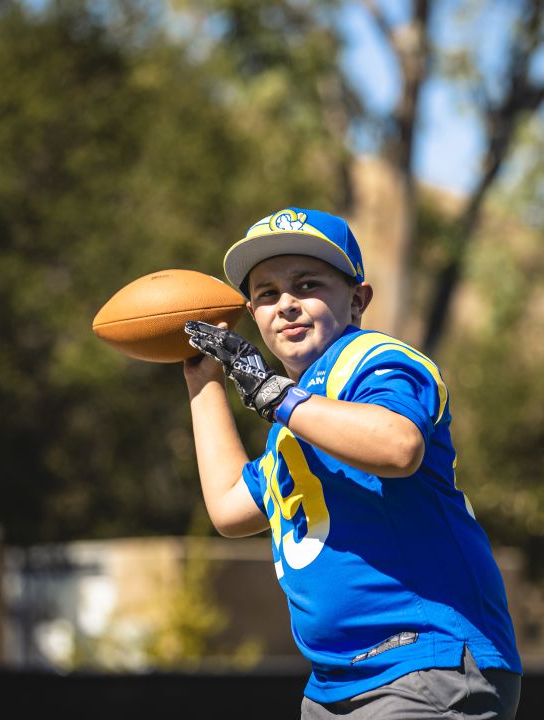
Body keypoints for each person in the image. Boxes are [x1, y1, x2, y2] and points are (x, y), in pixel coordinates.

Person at [180, 207, 522, 719]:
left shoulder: (373, 357)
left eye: (307, 284)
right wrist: (202, 379)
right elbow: (230, 507)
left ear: (358, 300)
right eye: (267, 294)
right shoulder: (294, 423)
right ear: (253, 316)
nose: (287, 304)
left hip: (424, 662)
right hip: (334, 684)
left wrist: (278, 397)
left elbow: (398, 446)